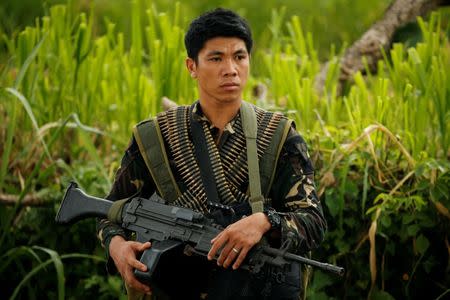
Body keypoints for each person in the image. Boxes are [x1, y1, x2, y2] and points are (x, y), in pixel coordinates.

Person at [97, 8, 326, 300]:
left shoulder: (279, 136)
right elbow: (109, 210)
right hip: (173, 288)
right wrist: (117, 246)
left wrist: (265, 221)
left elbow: (314, 222)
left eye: (239, 57)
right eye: (216, 58)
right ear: (192, 66)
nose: (230, 68)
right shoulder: (156, 137)